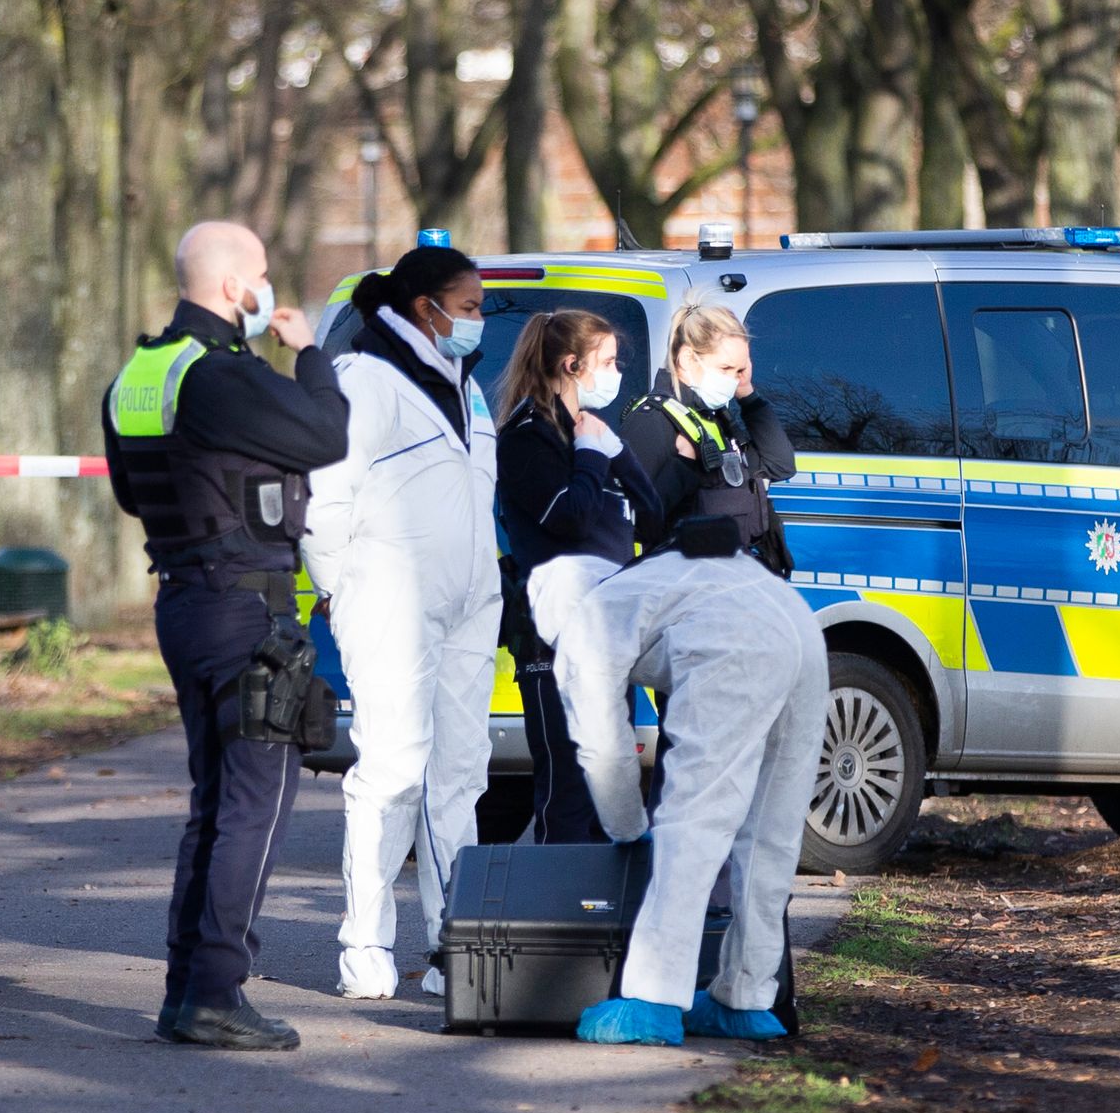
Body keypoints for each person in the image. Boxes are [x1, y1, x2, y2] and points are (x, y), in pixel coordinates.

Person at [104, 219, 349, 1051]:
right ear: (236, 286)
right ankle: (214, 991)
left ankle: (188, 989)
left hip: (185, 599)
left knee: (215, 800)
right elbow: (327, 433)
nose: (270, 291)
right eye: (265, 277)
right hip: (247, 608)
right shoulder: (219, 376)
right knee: (256, 802)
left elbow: (137, 497)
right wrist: (310, 353)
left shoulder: (140, 373)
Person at [302, 241, 499, 999]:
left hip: (467, 603)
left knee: (459, 774)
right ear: (428, 308)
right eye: (472, 306)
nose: (480, 321)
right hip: (389, 599)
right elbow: (324, 496)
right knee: (390, 771)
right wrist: (337, 584)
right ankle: (365, 949)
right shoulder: (366, 379)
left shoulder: (463, 386)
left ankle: (456, 950)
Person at [553, 527, 824, 1048]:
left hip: (735, 637)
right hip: (797, 623)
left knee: (690, 821)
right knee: (772, 829)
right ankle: (746, 996)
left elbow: (603, 747)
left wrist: (629, 828)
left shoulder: (584, 624)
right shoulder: (638, 583)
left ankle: (655, 996)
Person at [493, 307, 641, 843]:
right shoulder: (529, 436)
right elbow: (569, 517)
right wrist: (592, 456)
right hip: (555, 637)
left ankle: (603, 915)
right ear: (573, 364)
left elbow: (643, 510)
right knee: (568, 790)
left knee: (610, 785)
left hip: (607, 632)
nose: (616, 371)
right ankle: (561, 917)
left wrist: (612, 451)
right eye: (607, 361)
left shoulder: (588, 433)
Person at [618, 303, 795, 574]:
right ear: (688, 359)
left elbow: (780, 465)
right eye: (725, 368)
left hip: (725, 581)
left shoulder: (712, 417)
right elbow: (635, 519)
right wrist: (683, 466)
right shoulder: (652, 419)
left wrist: (748, 395)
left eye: (739, 370)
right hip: (679, 586)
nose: (732, 380)